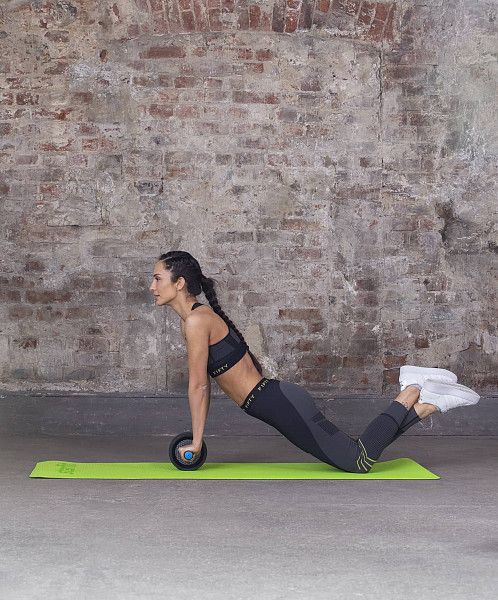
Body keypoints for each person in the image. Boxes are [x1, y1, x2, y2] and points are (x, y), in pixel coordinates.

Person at [150, 251, 480, 473]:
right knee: (357, 453)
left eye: (157, 279)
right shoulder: (196, 319)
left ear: (179, 283)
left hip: (277, 404)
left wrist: (196, 441)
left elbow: (198, 386)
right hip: (277, 399)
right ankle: (429, 404)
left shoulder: (197, 321)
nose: (152, 287)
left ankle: (411, 388)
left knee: (358, 461)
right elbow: (206, 383)